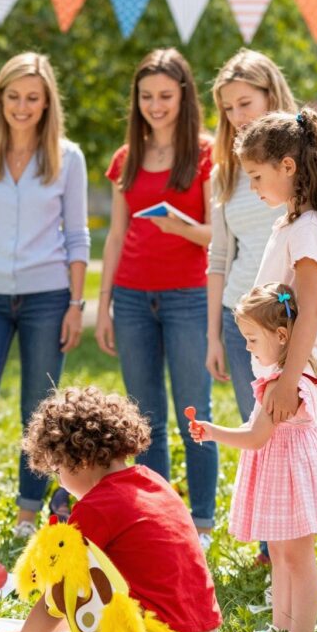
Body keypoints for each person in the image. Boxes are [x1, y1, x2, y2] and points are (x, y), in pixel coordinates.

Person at [207, 49, 317, 585]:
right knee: (276, 458)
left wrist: (290, 375)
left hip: (294, 364)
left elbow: (314, 306)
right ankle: (286, 566)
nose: (252, 187)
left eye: (257, 178)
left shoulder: (306, 227)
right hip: (275, 357)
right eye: (226, 108)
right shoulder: (288, 221)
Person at [0, 387, 222, 632]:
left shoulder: (96, 509)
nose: (60, 482)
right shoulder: (153, 481)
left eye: (57, 470)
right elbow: (84, 599)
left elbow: (55, 602)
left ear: (79, 459)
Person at [0, 52, 90, 544]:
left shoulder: (68, 159)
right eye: (13, 97)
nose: (22, 106)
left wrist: (76, 304)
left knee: (39, 415)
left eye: (32, 97)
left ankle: (29, 516)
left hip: (48, 299)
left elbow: (78, 236)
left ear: (47, 102)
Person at [190, 284, 317, 632]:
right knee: (281, 555)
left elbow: (254, 437)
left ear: (281, 336)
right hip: (287, 474)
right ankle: (281, 629)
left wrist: (212, 432)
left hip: (293, 477)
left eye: (252, 339)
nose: (247, 347)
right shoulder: (277, 378)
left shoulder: (285, 385)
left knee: (298, 558)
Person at [94, 48, 218, 549]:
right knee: (144, 419)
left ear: (184, 95)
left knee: (195, 414)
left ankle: (203, 524)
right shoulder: (127, 158)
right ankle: (160, 518)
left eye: (165, 96)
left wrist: (181, 227)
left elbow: (217, 235)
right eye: (146, 96)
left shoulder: (209, 153)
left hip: (188, 297)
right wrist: (101, 303)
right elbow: (116, 234)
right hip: (131, 299)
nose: (155, 105)